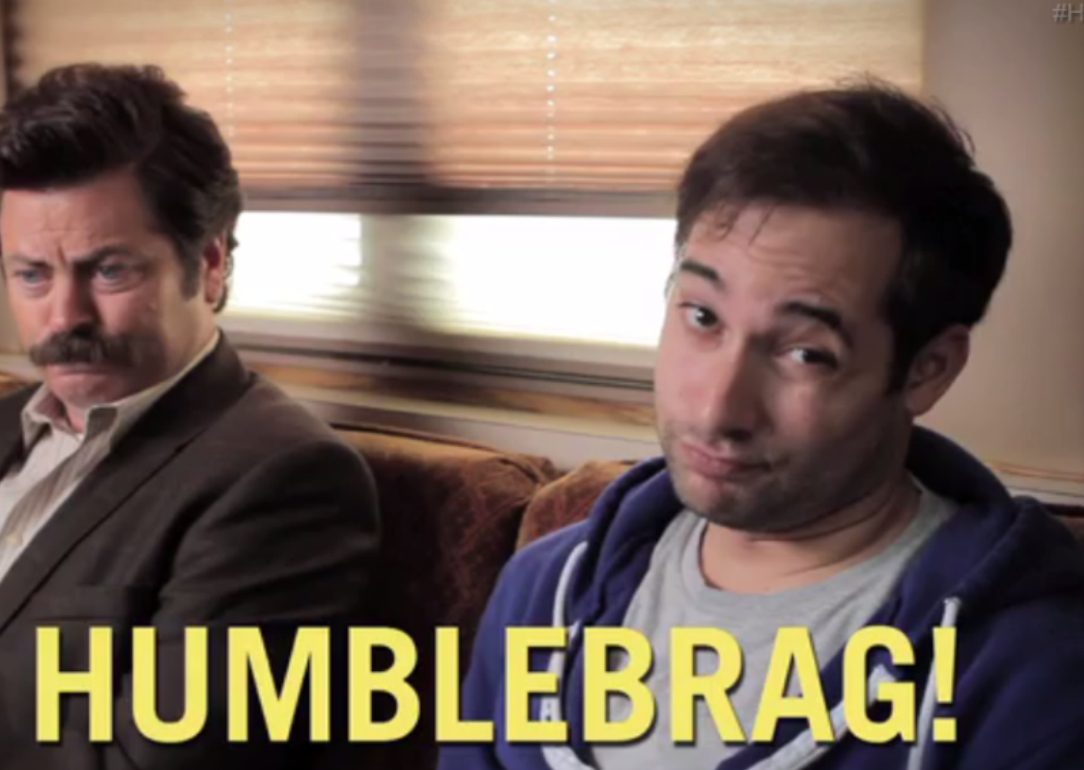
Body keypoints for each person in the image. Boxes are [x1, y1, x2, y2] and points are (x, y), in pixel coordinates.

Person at [440, 81, 1084, 770]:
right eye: (702, 317)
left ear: (927, 370)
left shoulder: (1030, 673)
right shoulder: (541, 591)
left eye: (805, 353)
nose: (716, 411)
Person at [0, 64, 380, 767]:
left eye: (109, 270)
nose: (64, 317)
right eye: (31, 274)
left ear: (209, 265)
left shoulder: (284, 479)